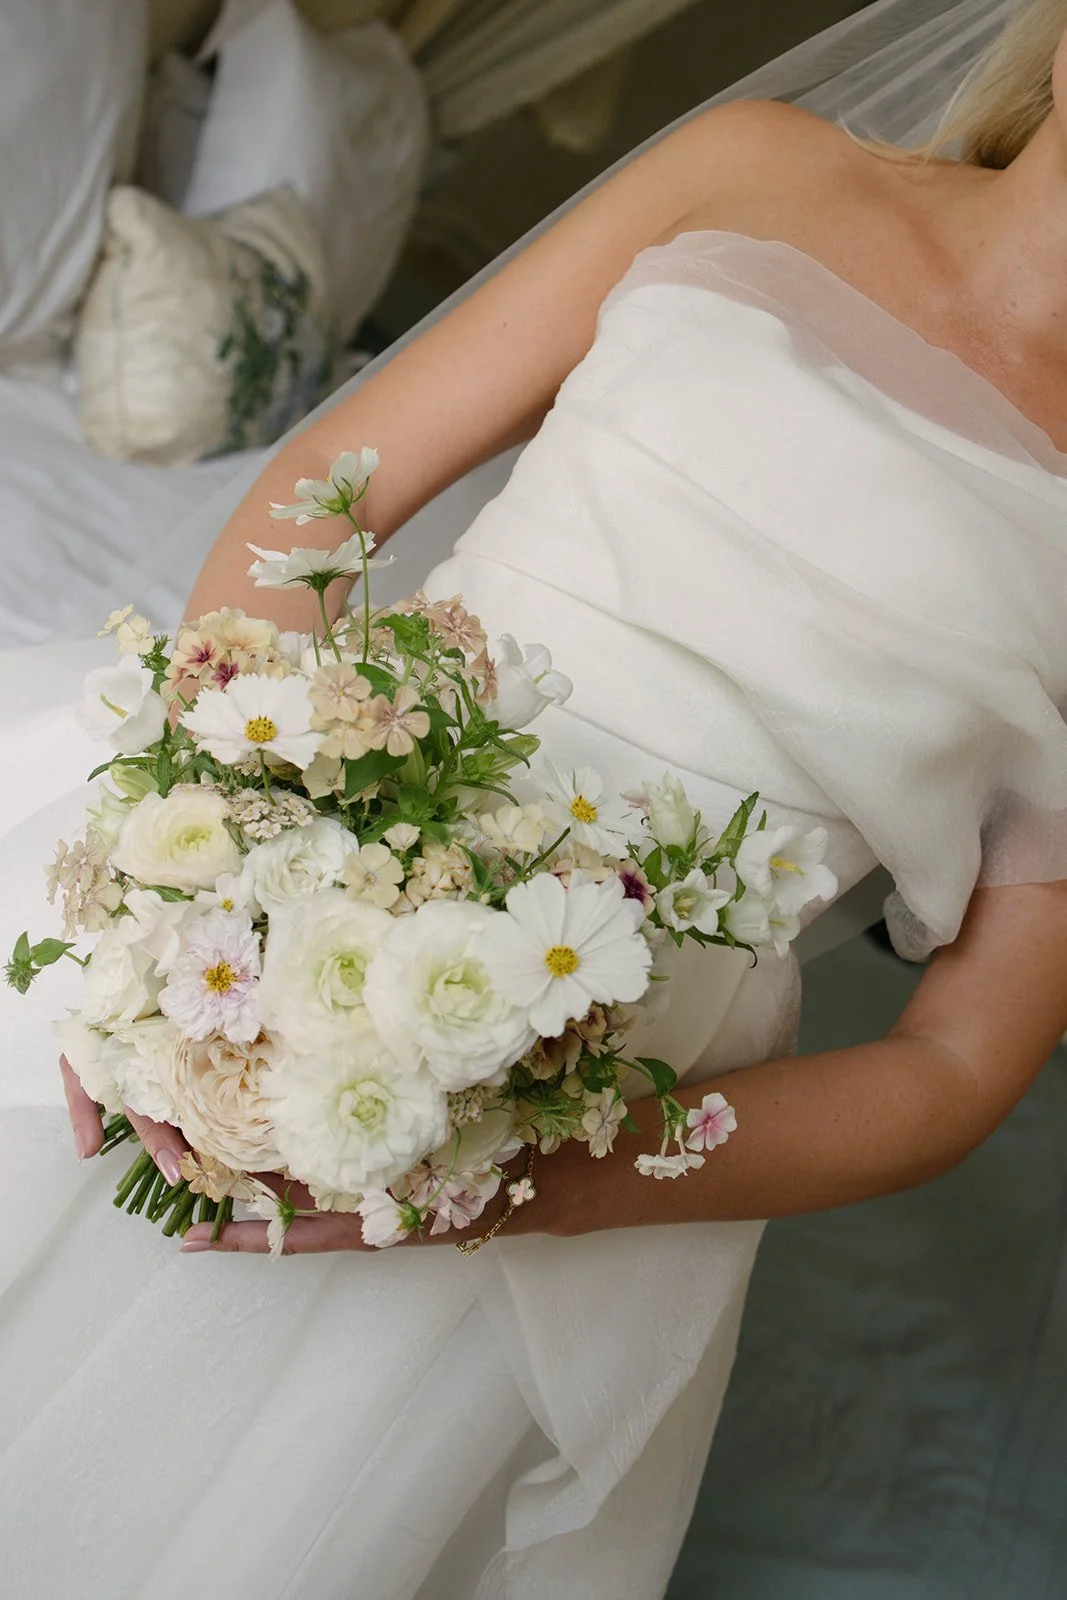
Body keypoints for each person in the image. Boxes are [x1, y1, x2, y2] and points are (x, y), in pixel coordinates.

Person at [3, 0, 1067, 1595]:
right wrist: (204, 878)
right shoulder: (754, 167)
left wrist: (528, 1179)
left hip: (587, 1064)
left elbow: (953, 1069)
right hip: (280, 824)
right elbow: (327, 493)